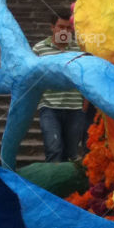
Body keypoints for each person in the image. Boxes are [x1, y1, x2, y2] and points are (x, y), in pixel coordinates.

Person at [32, 12, 86, 161]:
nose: (64, 31)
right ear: (52, 27)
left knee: (72, 154)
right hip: (49, 107)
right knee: (53, 149)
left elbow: (87, 77)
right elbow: (31, 78)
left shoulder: (80, 50)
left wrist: (84, 107)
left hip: (75, 108)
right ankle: (52, 184)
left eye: (68, 28)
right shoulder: (39, 49)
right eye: (61, 27)